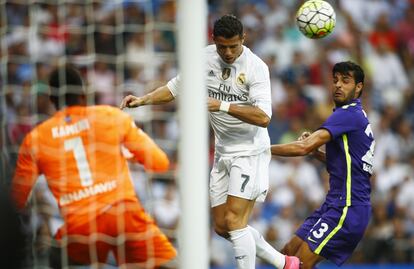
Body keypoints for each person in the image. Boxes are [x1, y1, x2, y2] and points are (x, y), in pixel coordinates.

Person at [120, 14, 299, 269]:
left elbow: (263, 117)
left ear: (243, 40)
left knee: (235, 222)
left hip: (249, 151)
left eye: (233, 46)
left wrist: (221, 105)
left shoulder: (256, 67)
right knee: (222, 227)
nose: (227, 52)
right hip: (223, 151)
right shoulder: (203, 58)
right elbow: (174, 88)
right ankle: (284, 263)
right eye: (222, 46)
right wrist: (143, 99)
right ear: (213, 40)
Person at [11, 65, 177, 268]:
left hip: (81, 228)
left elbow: (17, 199)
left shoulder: (35, 139)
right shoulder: (111, 116)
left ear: (52, 100)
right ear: (83, 94)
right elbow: (160, 163)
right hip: (123, 216)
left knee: (54, 258)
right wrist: (126, 154)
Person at [270, 61, 375, 269]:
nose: (338, 85)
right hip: (334, 204)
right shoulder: (353, 116)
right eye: (335, 80)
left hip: (348, 207)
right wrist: (317, 153)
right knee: (288, 252)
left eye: (345, 81)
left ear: (359, 87)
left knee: (299, 265)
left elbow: (302, 147)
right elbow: (346, 164)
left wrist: (262, 148)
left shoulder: (348, 114)